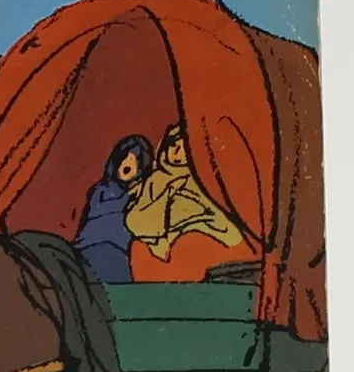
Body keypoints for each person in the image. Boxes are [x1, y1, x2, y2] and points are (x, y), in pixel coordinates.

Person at [123, 122, 245, 271]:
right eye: (174, 145)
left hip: (201, 233)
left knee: (189, 243)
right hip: (162, 241)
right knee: (138, 249)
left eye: (184, 147)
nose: (177, 151)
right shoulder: (155, 180)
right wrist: (167, 193)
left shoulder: (201, 178)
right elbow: (135, 218)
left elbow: (216, 213)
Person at [73, 134, 154, 285]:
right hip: (85, 250)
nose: (127, 163)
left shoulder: (141, 194)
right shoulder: (99, 190)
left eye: (136, 160)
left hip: (117, 252)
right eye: (125, 157)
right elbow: (88, 224)